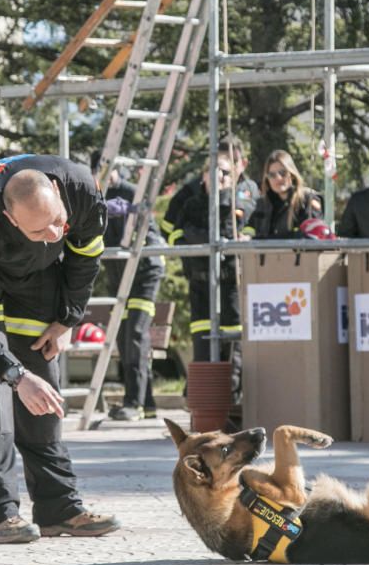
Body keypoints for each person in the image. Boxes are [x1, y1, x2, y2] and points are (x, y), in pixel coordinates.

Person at [0, 153, 121, 543]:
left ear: (57, 192)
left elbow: (85, 257)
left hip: (37, 273)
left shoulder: (82, 190)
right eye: (40, 231)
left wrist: (68, 319)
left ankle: (60, 508)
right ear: (11, 219)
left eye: (58, 222)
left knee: (46, 381)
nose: (55, 234)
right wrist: (16, 376)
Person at [91, 151, 165, 422]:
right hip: (119, 277)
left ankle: (135, 403)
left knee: (135, 333)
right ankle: (146, 403)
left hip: (144, 272)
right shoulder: (95, 197)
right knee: (125, 339)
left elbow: (150, 233)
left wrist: (130, 211)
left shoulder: (131, 192)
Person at [179, 149, 254, 400]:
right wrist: (206, 241)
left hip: (231, 281)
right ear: (203, 176)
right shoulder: (191, 204)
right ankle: (205, 399)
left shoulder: (239, 202)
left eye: (225, 172)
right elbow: (181, 234)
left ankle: (232, 399)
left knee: (233, 342)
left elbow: (241, 232)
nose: (219, 177)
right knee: (203, 340)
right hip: (200, 283)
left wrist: (223, 198)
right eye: (214, 171)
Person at [161, 135, 258, 246]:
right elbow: (170, 229)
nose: (220, 174)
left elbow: (256, 224)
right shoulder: (192, 191)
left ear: (244, 163)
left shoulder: (251, 188)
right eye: (217, 167)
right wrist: (190, 240)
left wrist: (248, 237)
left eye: (234, 161)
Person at [242, 149, 323, 239]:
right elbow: (249, 228)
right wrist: (246, 236)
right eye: (272, 175)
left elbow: (309, 236)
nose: (278, 178)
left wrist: (264, 240)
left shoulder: (307, 200)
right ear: (267, 178)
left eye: (283, 173)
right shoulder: (262, 204)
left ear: (291, 174)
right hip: (264, 253)